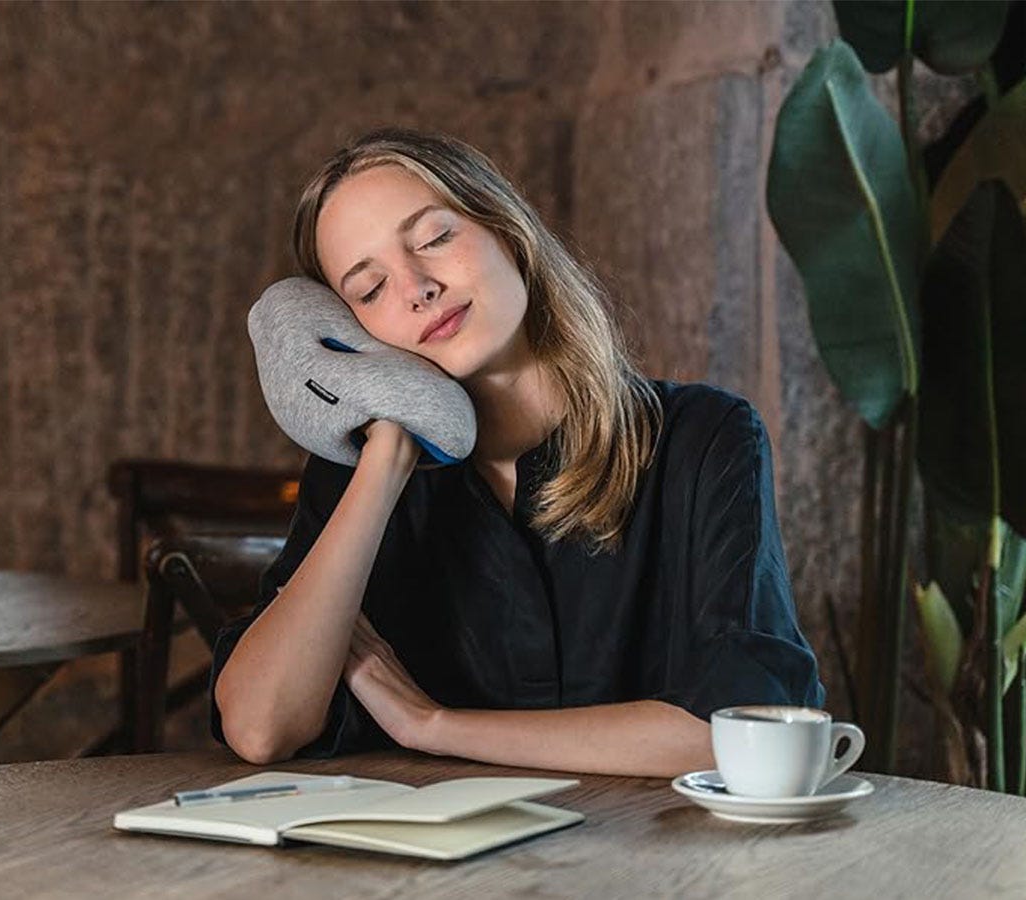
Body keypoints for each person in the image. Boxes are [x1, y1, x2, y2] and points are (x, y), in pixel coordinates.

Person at [211, 127, 825, 777]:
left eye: (435, 238)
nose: (418, 287)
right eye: (369, 290)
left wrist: (432, 726)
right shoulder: (360, 470)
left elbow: (741, 734)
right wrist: (389, 451)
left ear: (506, 229)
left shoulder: (703, 438)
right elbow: (259, 725)